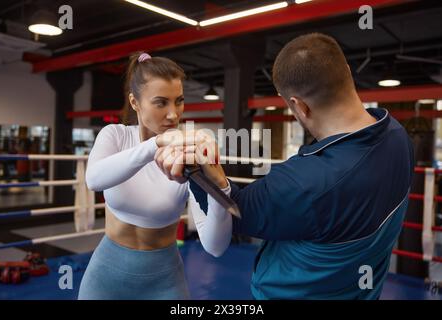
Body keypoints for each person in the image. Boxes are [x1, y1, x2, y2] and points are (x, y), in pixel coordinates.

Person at [155, 33, 415, 299]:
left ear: (298, 106)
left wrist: (197, 170)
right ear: (347, 71)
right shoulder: (397, 136)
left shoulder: (306, 184)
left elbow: (232, 210)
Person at [78, 52, 232, 300]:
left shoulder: (188, 152)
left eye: (179, 101)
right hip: (107, 275)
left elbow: (215, 247)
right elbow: (94, 179)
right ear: (135, 102)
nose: (173, 114)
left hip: (164, 280)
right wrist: (155, 145)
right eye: (161, 103)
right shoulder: (115, 136)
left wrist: (220, 188)